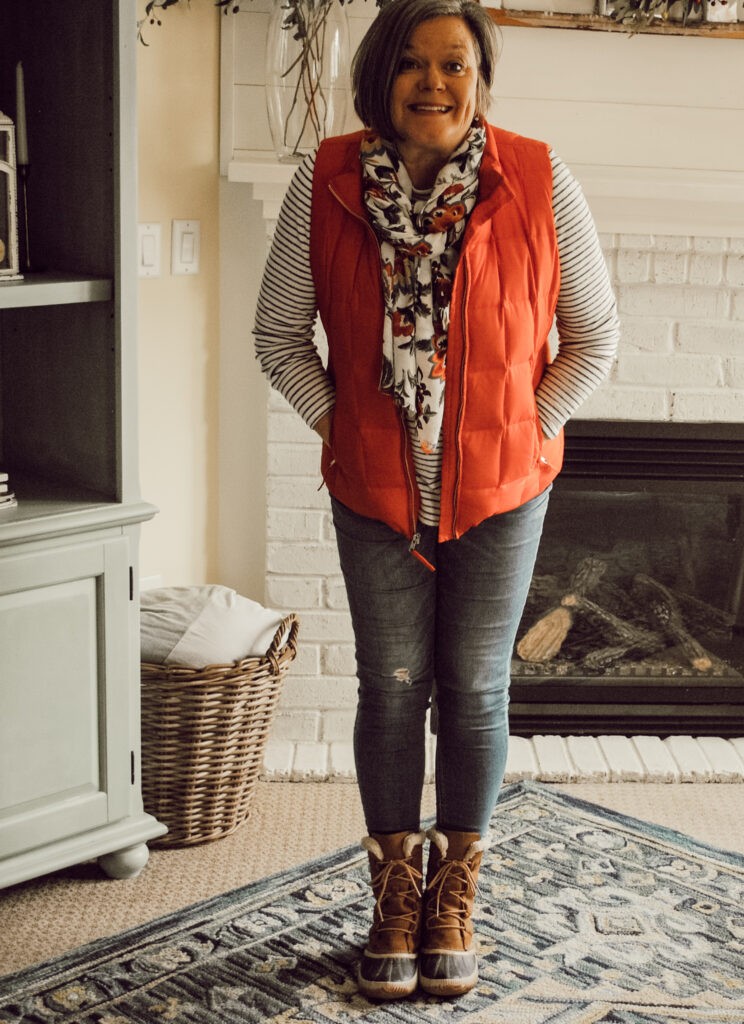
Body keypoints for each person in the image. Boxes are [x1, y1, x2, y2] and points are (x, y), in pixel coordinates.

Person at [254, 0, 620, 1001]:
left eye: (454, 64)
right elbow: (279, 336)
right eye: (412, 64)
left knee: (475, 688)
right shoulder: (325, 181)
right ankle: (394, 891)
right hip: (375, 490)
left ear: (481, 75)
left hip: (504, 491)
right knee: (392, 686)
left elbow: (596, 337)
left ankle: (456, 888)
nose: (434, 83)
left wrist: (530, 427)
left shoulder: (541, 179)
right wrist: (344, 429)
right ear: (382, 76)